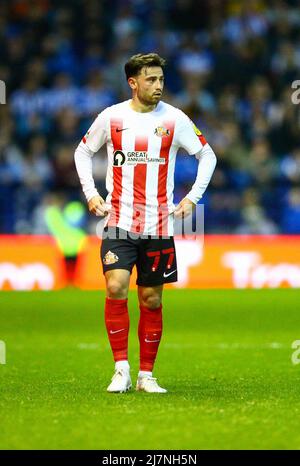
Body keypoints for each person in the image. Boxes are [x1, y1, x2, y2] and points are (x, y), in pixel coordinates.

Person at [74, 53, 217, 393]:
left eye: (161, 80)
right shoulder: (112, 117)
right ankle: (121, 369)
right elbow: (82, 152)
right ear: (133, 83)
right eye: (151, 80)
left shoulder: (175, 119)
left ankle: (146, 376)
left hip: (158, 225)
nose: (158, 86)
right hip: (119, 222)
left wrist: (192, 198)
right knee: (115, 287)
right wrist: (91, 193)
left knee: (151, 300)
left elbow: (207, 155)